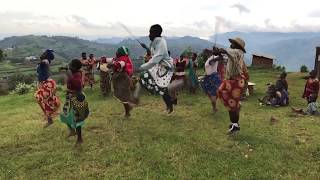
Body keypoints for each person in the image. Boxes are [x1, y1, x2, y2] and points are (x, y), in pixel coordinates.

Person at [138, 24, 175, 114]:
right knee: (162, 89)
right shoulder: (157, 42)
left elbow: (154, 60)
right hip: (160, 66)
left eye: (150, 33)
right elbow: (153, 53)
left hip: (166, 68)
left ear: (155, 33)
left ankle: (170, 107)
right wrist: (146, 47)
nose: (149, 35)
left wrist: (142, 67)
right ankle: (169, 106)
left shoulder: (161, 43)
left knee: (146, 77)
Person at [215, 37, 248, 134]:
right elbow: (228, 55)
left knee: (231, 104)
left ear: (237, 46)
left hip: (235, 82)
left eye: (233, 43)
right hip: (232, 81)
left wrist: (222, 50)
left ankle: (235, 125)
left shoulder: (238, 52)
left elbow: (230, 52)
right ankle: (234, 122)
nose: (230, 44)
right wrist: (219, 53)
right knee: (223, 95)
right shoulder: (234, 53)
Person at [60, 59, 89, 145]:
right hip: (69, 97)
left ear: (75, 67)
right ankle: (72, 131)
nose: (69, 66)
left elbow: (77, 85)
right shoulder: (73, 73)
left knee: (77, 118)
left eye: (71, 65)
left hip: (76, 98)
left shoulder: (78, 74)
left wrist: (70, 77)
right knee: (65, 114)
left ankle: (80, 139)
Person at [108, 46, 139, 117]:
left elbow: (121, 64)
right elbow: (113, 60)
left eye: (118, 51)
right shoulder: (118, 58)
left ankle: (128, 111)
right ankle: (128, 110)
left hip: (123, 80)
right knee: (122, 96)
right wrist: (105, 60)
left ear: (120, 53)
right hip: (120, 80)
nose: (116, 52)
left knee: (123, 96)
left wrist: (113, 64)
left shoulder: (124, 59)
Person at [35, 49, 61, 128]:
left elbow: (44, 62)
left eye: (44, 53)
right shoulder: (44, 61)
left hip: (48, 84)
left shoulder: (45, 61)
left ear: (46, 55)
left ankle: (52, 117)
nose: (42, 54)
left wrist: (42, 61)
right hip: (43, 84)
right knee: (44, 101)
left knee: (41, 99)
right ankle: (49, 119)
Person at [200, 49, 222, 113]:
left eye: (206, 52)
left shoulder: (214, 57)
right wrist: (204, 76)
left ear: (209, 52)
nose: (205, 54)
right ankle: (214, 107)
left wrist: (217, 52)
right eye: (205, 53)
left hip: (213, 78)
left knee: (213, 94)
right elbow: (208, 69)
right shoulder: (208, 59)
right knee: (209, 93)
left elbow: (220, 58)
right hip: (208, 77)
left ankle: (214, 108)